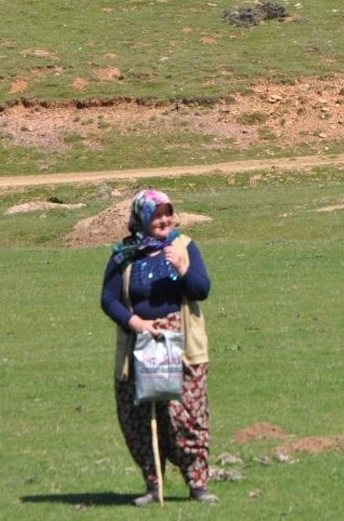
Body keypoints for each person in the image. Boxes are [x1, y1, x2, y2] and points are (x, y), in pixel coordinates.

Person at [100, 189, 218, 506]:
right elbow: (108, 299)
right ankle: (154, 486)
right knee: (139, 417)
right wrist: (135, 323)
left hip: (183, 346)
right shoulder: (125, 254)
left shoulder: (184, 247)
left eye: (168, 213)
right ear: (141, 219)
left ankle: (198, 485)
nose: (165, 220)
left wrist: (182, 268)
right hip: (139, 342)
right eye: (157, 215)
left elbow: (201, 290)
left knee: (186, 416)